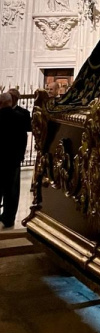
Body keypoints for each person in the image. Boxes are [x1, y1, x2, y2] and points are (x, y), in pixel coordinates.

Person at [0, 90, 32, 229]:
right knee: (11, 191)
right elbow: (24, 137)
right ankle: (9, 218)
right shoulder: (19, 117)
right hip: (13, 160)